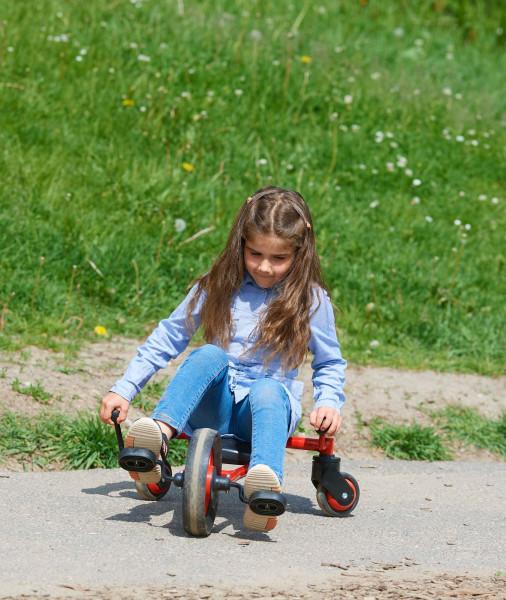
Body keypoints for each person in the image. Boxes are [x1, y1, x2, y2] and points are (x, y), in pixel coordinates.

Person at [99, 186, 346, 532]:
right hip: (214, 406)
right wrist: (124, 389)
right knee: (208, 354)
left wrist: (329, 402)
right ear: (241, 243)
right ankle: (159, 437)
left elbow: (329, 362)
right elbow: (170, 335)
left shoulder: (311, 300)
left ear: (299, 252)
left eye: (278, 258)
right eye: (255, 253)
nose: (264, 267)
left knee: (267, 389)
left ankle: (264, 486)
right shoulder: (218, 285)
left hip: (263, 414)